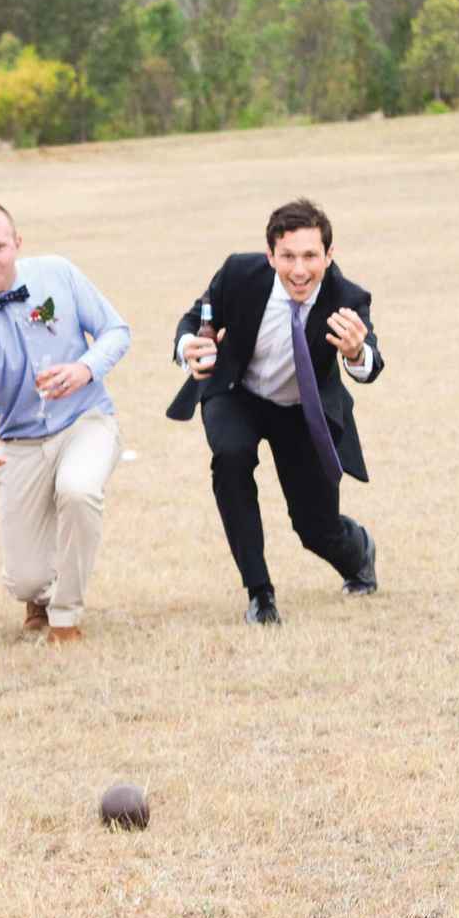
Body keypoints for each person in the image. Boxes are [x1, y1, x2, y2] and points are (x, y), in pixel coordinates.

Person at [167, 196, 384, 624]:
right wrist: (185, 346)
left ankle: (357, 549)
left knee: (314, 528)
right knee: (230, 458)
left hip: (301, 412)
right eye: (287, 256)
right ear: (270, 255)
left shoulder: (347, 297)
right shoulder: (239, 273)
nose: (299, 270)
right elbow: (194, 320)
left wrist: (357, 353)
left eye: (310, 256)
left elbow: (371, 364)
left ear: (329, 254)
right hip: (237, 395)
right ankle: (260, 595)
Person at [0, 202, 131, 646]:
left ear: (17, 244)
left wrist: (84, 369)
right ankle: (41, 597)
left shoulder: (58, 273)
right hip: (20, 442)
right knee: (25, 581)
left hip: (86, 419)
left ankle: (65, 619)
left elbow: (115, 331)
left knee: (78, 489)